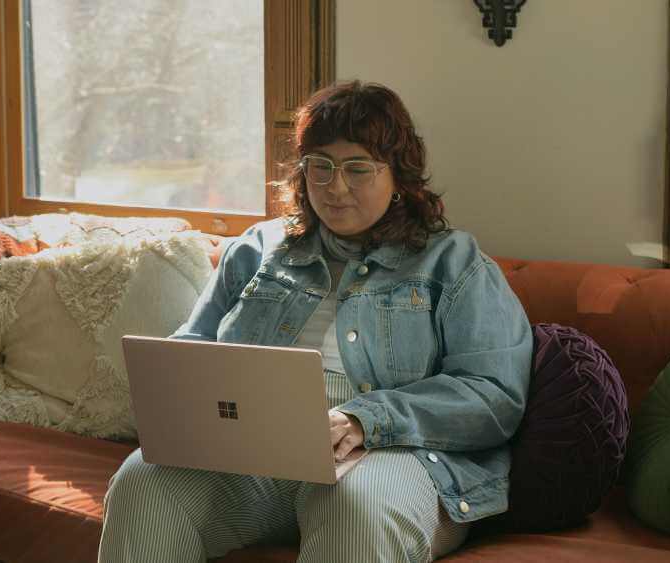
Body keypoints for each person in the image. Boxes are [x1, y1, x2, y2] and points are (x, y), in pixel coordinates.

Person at [98, 80, 532, 562]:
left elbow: (494, 395)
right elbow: (191, 349)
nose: (335, 186)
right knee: (143, 482)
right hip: (256, 457)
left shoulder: (454, 262)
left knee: (353, 505)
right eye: (319, 167)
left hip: (396, 456)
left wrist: (366, 419)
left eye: (357, 168)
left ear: (399, 177)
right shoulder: (258, 249)